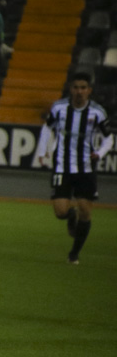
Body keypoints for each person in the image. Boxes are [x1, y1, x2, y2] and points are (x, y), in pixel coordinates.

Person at [36, 73, 112, 264]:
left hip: (86, 168)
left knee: (86, 212)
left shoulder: (97, 112)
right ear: (71, 89)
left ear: (89, 90)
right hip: (62, 166)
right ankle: (70, 216)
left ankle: (74, 254)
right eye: (76, 87)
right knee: (60, 211)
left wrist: (100, 153)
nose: (79, 91)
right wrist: (42, 149)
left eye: (83, 87)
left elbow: (109, 138)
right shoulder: (59, 107)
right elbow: (47, 128)